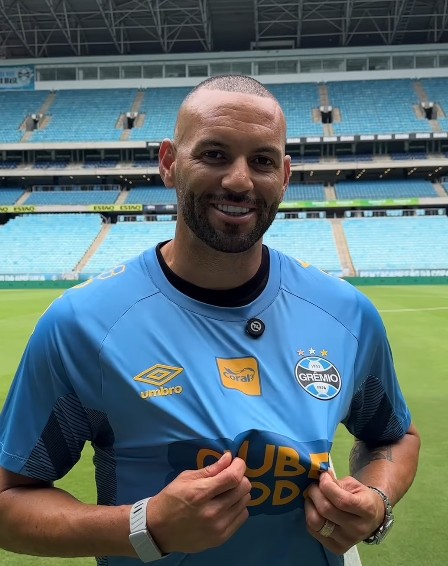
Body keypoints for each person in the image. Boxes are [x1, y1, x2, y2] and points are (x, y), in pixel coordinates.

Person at [0, 74, 420, 566]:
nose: (240, 181)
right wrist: (146, 527)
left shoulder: (346, 313)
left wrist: (377, 501)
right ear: (169, 163)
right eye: (215, 154)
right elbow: (10, 501)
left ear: (284, 176)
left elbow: (394, 435)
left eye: (262, 161)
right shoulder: (82, 324)